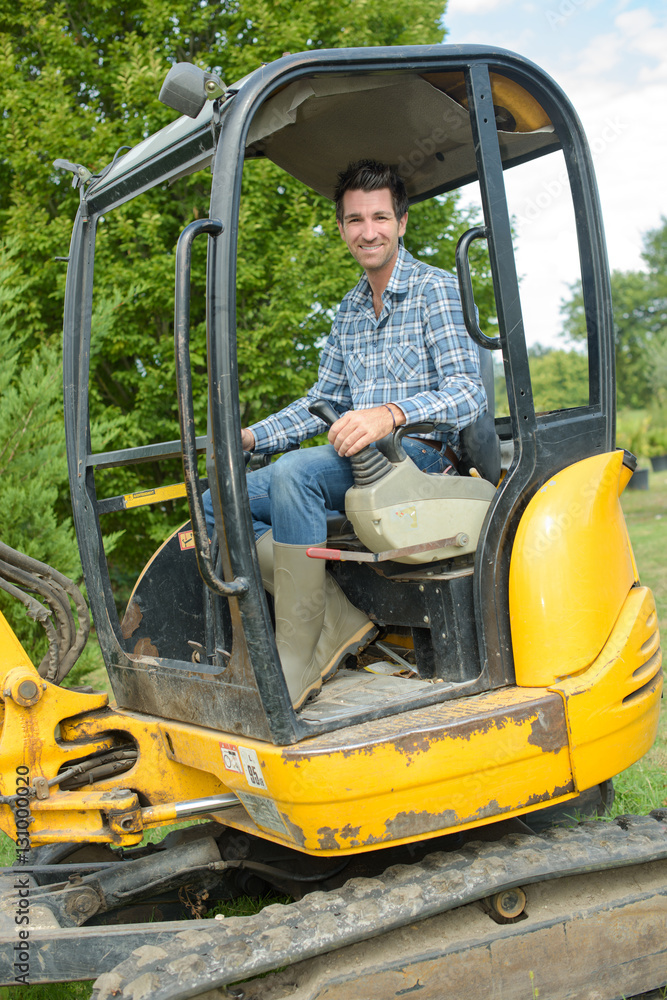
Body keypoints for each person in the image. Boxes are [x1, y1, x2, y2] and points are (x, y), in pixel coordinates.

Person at [204, 159, 486, 710]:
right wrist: (250, 438)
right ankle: (332, 619)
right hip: (360, 462)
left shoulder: (436, 290)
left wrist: (391, 414)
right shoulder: (348, 311)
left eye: (380, 217)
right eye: (355, 220)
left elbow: (467, 390)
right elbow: (320, 406)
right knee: (220, 497)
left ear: (401, 223)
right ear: (341, 229)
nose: (368, 231)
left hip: (422, 460)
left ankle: (299, 651)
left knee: (295, 476)